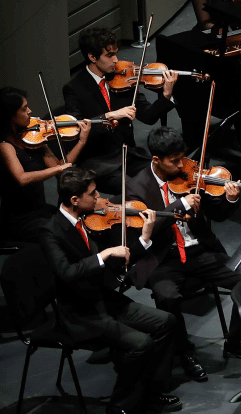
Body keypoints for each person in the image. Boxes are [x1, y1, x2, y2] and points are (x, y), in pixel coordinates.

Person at [39, 167, 180, 414]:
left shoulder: (91, 219)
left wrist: (144, 237)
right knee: (140, 344)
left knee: (166, 322)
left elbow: (118, 260)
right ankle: (121, 406)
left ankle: (149, 391)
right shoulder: (50, 231)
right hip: (81, 314)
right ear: (74, 200)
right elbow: (68, 272)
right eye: (93, 194)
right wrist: (104, 254)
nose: (100, 197)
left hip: (105, 300)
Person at [126, 127, 241, 382]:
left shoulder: (190, 176)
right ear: (156, 160)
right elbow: (145, 231)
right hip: (163, 258)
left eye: (181, 158)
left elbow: (217, 214)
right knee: (167, 297)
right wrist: (179, 204)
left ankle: (235, 340)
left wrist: (229, 200)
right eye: (173, 161)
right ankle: (184, 352)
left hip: (199, 251)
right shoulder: (136, 188)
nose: (180, 166)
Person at [63, 27, 177, 194]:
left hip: (128, 154)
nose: (116, 60)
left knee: (166, 176)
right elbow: (75, 129)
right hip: (100, 163)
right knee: (136, 189)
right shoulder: (74, 88)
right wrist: (108, 116)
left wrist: (165, 96)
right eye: (109, 55)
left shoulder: (124, 78)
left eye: (116, 53)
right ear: (92, 57)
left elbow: (148, 116)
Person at [1, 87, 91, 242]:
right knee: (64, 233)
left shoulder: (34, 138)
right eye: (24, 109)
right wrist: (59, 168)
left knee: (77, 221)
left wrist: (82, 142)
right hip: (20, 219)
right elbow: (22, 178)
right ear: (11, 116)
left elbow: (60, 167)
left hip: (41, 210)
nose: (30, 111)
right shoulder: (5, 146)